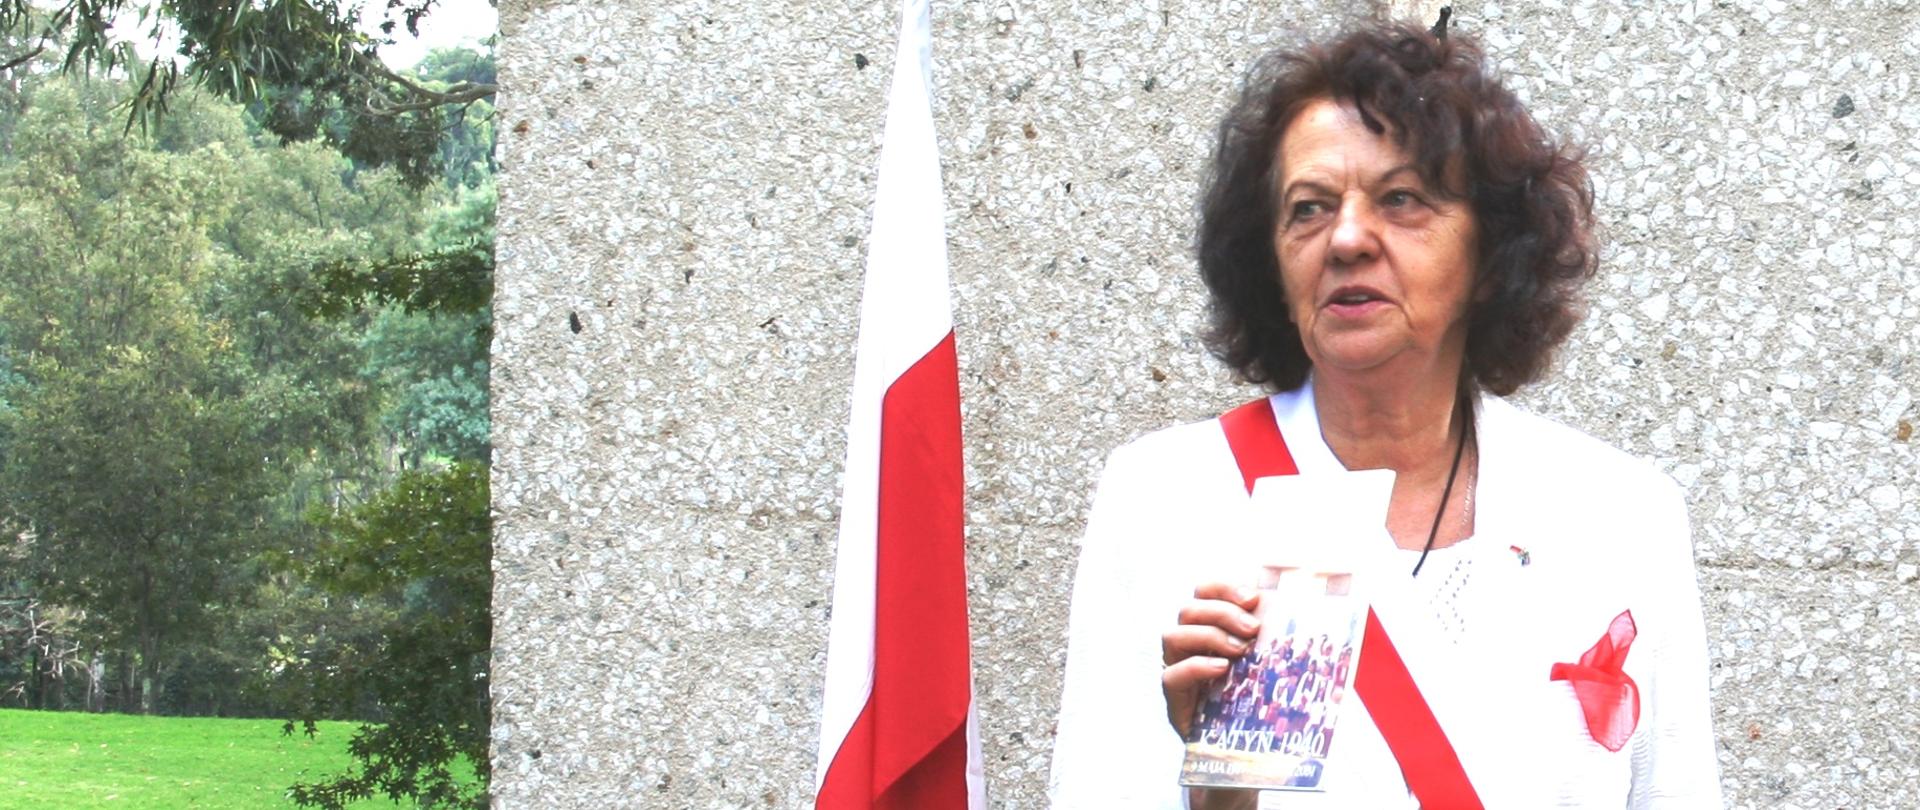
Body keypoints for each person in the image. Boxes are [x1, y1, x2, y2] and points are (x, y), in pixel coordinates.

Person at [1046, 21, 1720, 809]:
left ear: (1491, 257)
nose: (1348, 238)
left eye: (1401, 199)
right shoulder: (1165, 495)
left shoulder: (1621, 513)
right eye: (1308, 208)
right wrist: (1218, 795)